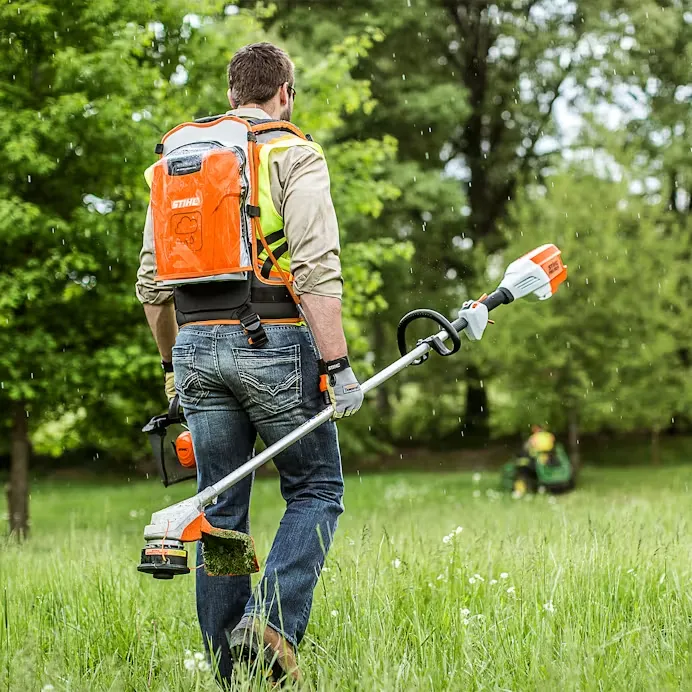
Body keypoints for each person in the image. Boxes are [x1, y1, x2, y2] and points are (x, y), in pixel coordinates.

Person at [135, 42, 363, 684]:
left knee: (221, 508)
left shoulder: (174, 163)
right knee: (317, 489)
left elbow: (152, 283)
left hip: (195, 347)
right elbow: (317, 267)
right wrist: (338, 363)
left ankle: (227, 671)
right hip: (276, 341)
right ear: (283, 92)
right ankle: (269, 624)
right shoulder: (293, 151)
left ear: (234, 92)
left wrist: (174, 367)